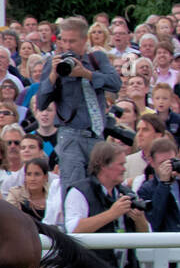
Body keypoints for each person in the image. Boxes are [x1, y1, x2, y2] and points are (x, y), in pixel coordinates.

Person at [36, 17, 121, 207]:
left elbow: (116, 84)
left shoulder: (96, 59)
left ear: (84, 41)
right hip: (70, 135)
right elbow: (41, 103)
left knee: (100, 187)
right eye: (63, 41)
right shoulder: (53, 63)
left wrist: (87, 74)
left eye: (72, 41)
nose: (67, 46)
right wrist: (52, 76)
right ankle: (73, 230)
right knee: (73, 188)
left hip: (97, 136)